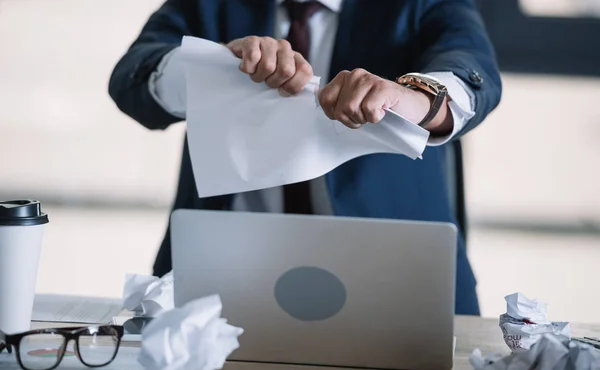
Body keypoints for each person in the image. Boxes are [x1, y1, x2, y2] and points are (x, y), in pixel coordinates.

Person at [108, 0, 502, 315]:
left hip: (394, 285)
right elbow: (131, 79)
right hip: (222, 281)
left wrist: (416, 100)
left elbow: (472, 68)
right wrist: (213, 66)